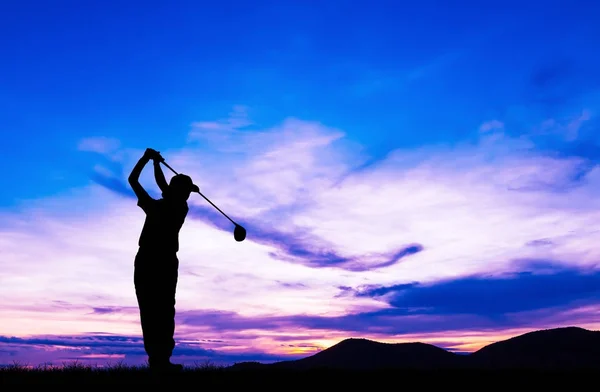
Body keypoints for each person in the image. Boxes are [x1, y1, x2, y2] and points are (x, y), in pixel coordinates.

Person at [128, 148, 199, 372]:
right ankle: (159, 361)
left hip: (155, 260)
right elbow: (163, 186)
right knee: (157, 310)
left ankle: (160, 360)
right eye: (185, 191)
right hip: (157, 260)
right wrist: (153, 162)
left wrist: (150, 160)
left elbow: (136, 180)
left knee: (159, 310)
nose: (186, 195)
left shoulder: (172, 206)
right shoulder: (174, 205)